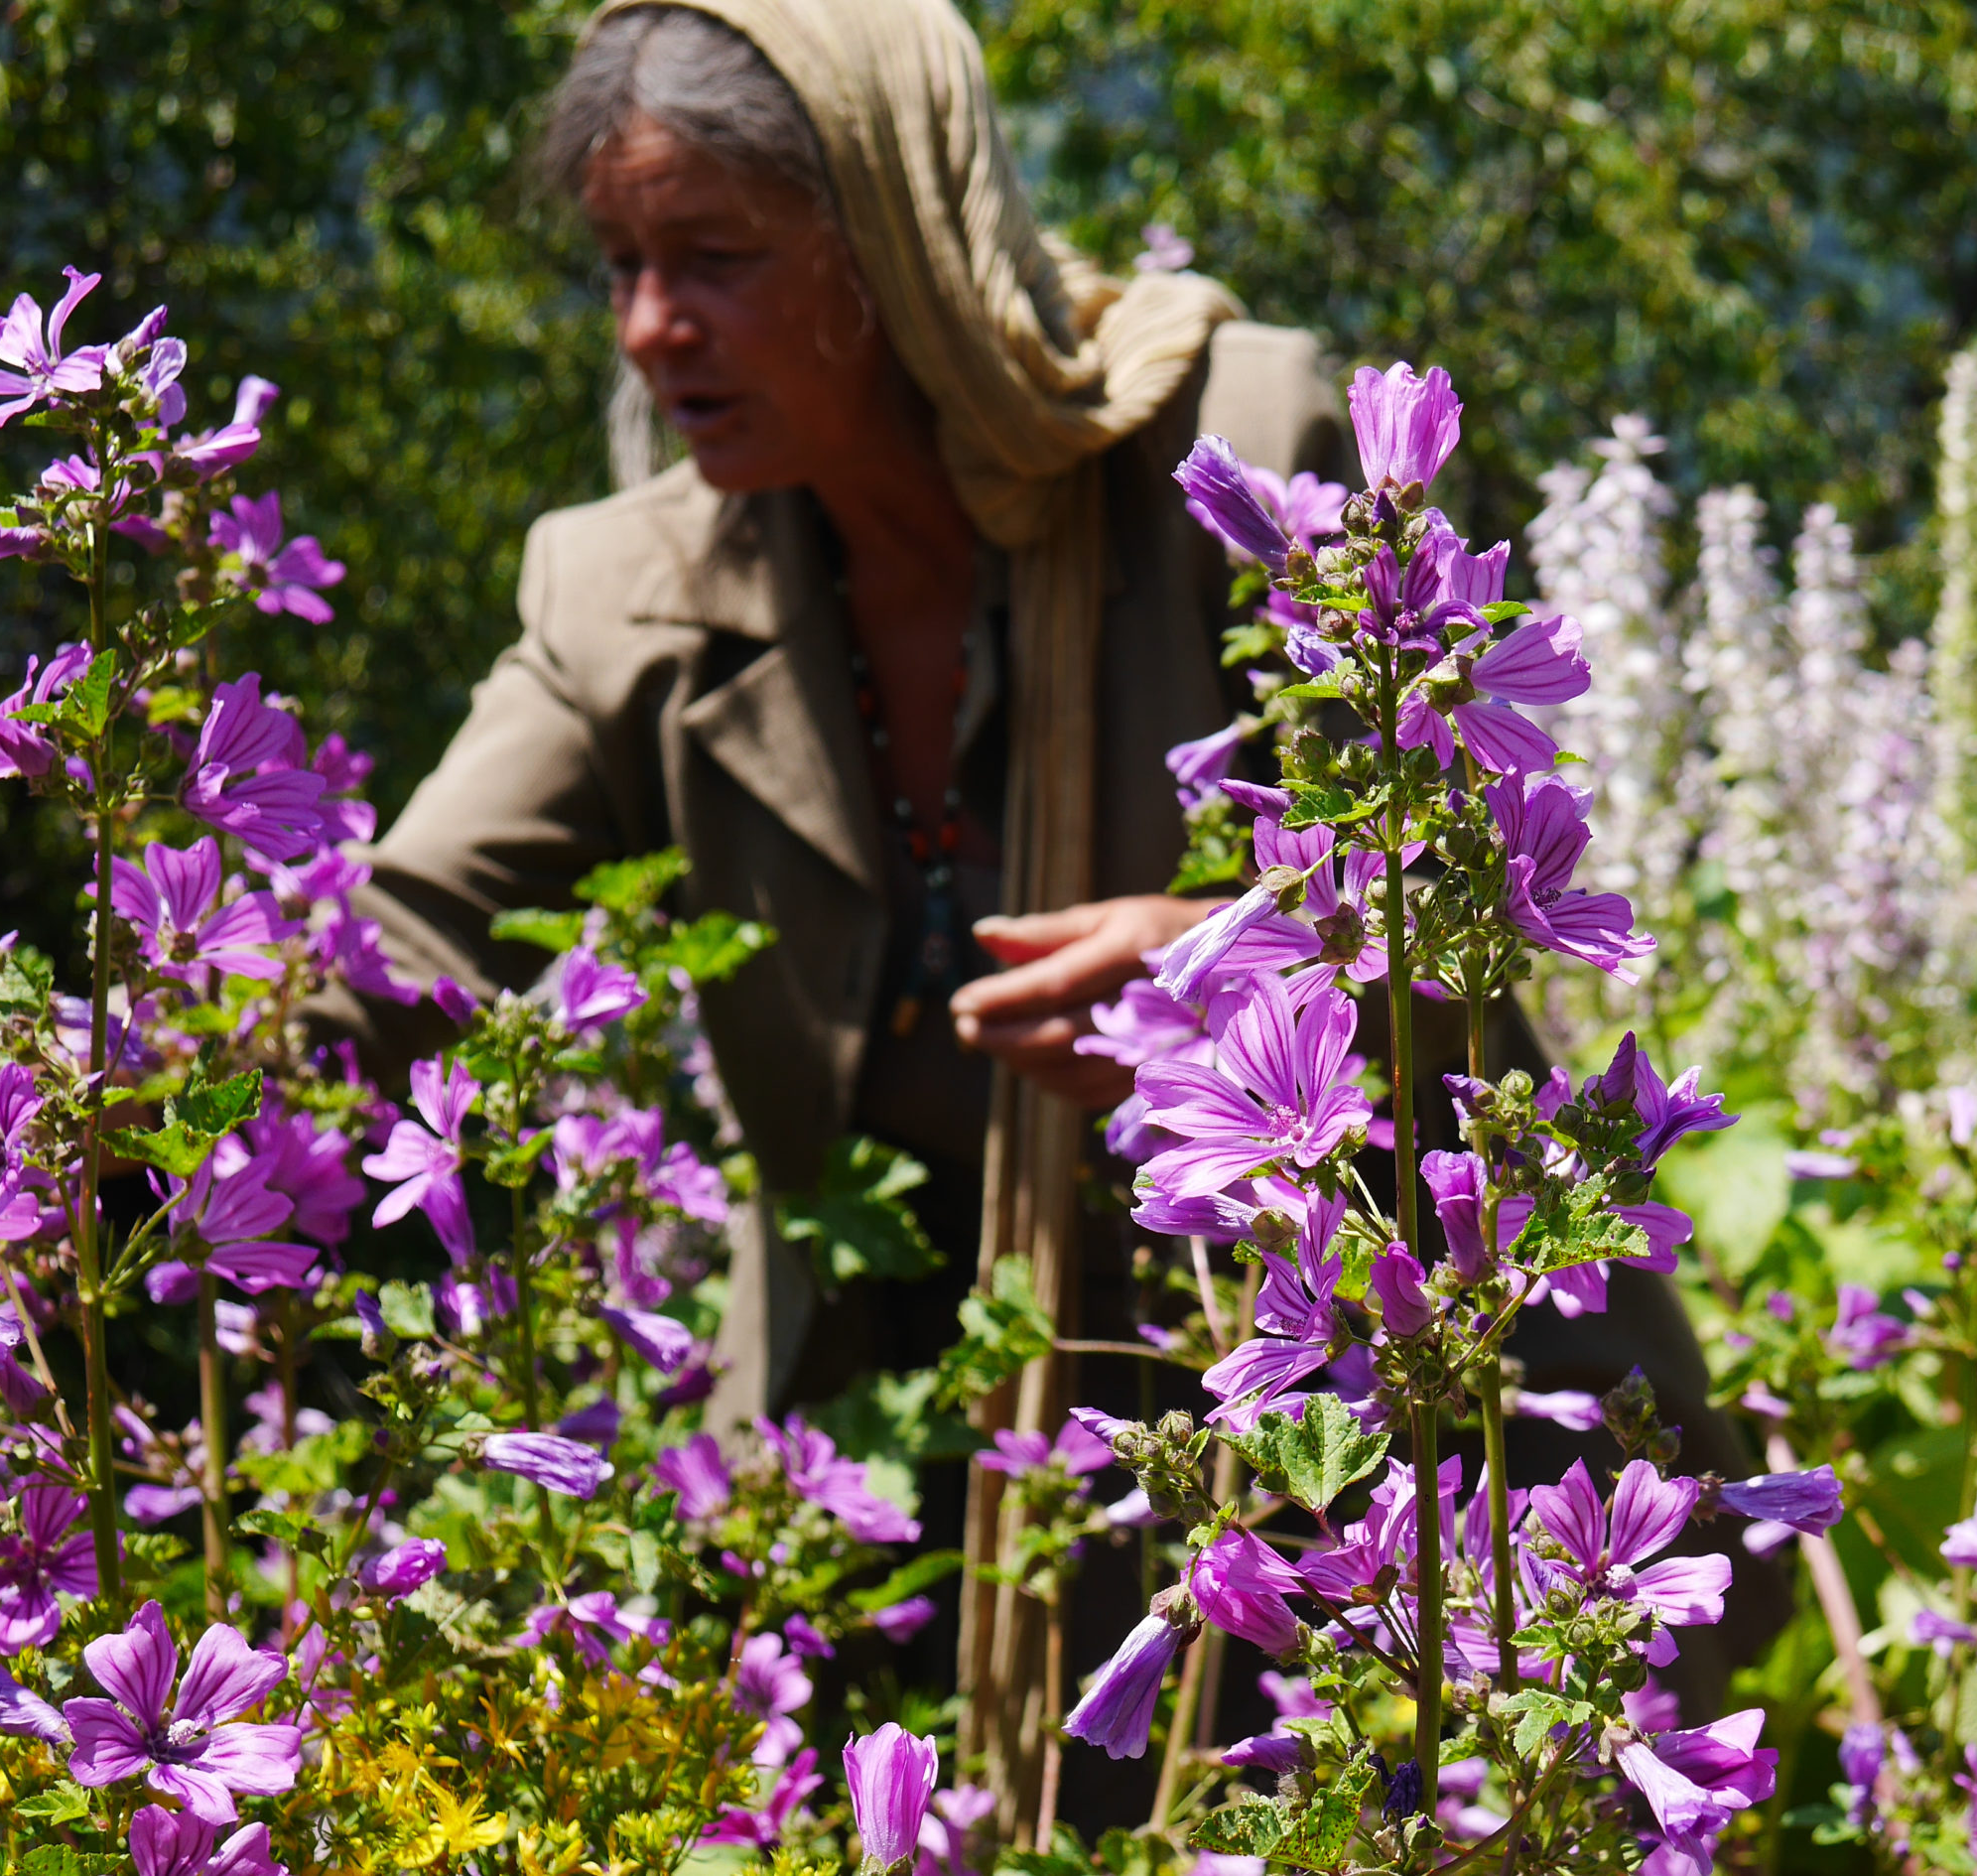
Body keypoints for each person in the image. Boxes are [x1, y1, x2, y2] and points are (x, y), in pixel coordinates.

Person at [318, 0, 1783, 1773]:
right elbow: (392, 944)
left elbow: (1455, 888)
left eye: (712, 257)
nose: (649, 329)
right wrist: (130, 1070)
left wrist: (1235, 981)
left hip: (1337, 1415)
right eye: (619, 262)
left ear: (889, 237)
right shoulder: (616, 594)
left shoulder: (1224, 449)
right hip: (894, 1455)